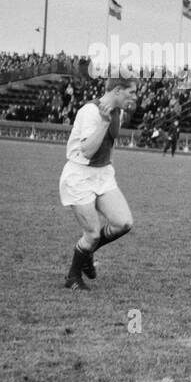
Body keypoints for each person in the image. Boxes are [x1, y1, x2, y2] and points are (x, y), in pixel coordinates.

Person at [59, 77, 138, 290]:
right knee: (92, 233)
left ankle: (88, 252)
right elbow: (87, 151)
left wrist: (111, 118)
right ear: (118, 90)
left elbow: (112, 138)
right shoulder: (90, 112)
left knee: (123, 223)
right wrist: (104, 121)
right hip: (80, 176)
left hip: (102, 173)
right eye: (131, 92)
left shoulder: (116, 111)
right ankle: (73, 277)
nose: (134, 97)